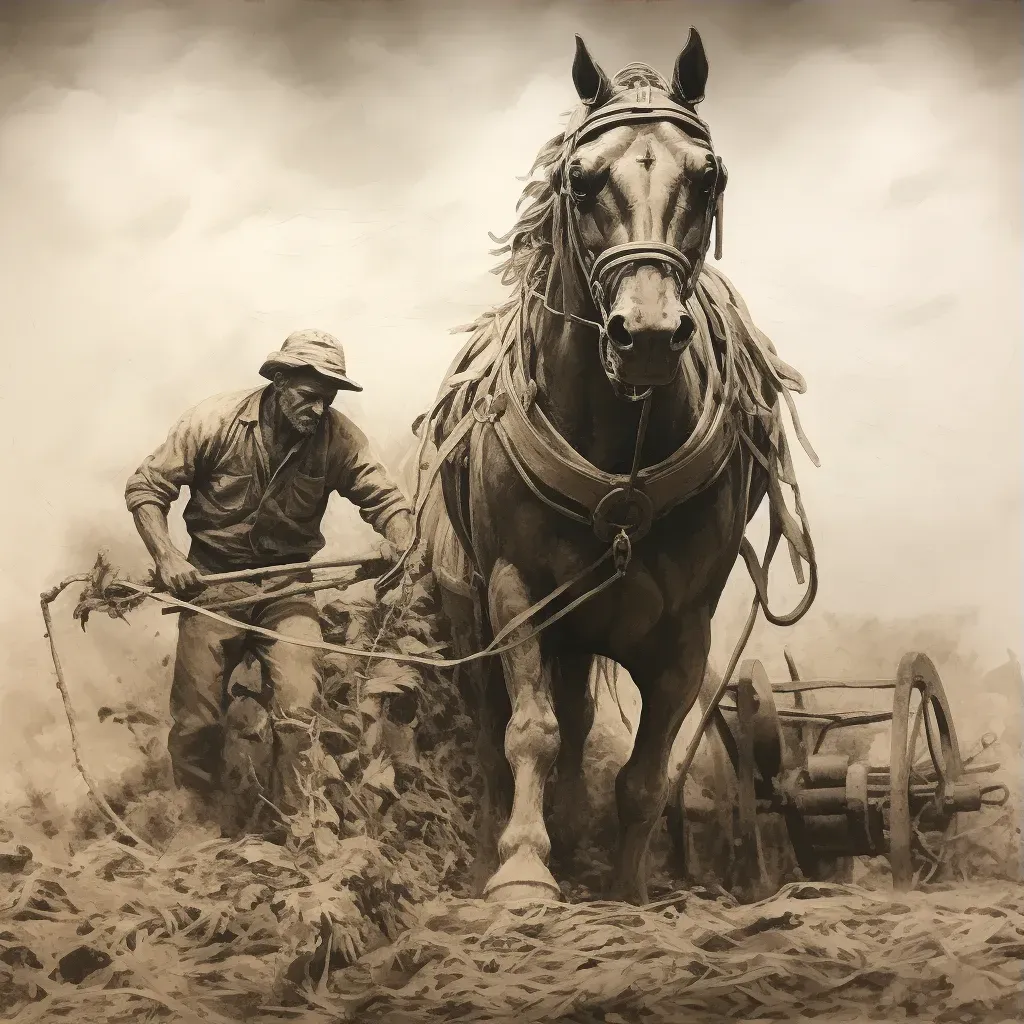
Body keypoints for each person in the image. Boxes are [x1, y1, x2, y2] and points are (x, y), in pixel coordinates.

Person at [125, 328, 415, 835]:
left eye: (328, 399)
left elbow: (387, 500)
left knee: (299, 710)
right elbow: (147, 487)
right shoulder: (214, 420)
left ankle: (292, 830)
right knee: (197, 721)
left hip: (288, 590)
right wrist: (168, 556)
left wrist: (397, 541)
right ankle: (198, 825)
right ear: (278, 381)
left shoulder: (339, 439)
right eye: (308, 396)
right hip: (213, 583)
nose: (319, 409)